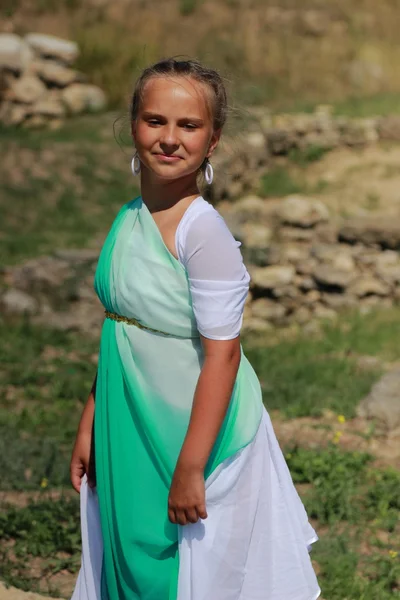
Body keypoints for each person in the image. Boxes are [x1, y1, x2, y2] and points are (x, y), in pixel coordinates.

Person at [70, 57, 321, 600]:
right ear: (132, 125)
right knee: (128, 553)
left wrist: (191, 466)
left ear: (213, 140)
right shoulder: (128, 216)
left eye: (188, 126)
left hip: (194, 430)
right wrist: (92, 420)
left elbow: (223, 355)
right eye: (155, 120)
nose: (168, 138)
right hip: (127, 416)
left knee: (186, 573)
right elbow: (119, 325)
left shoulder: (201, 231)